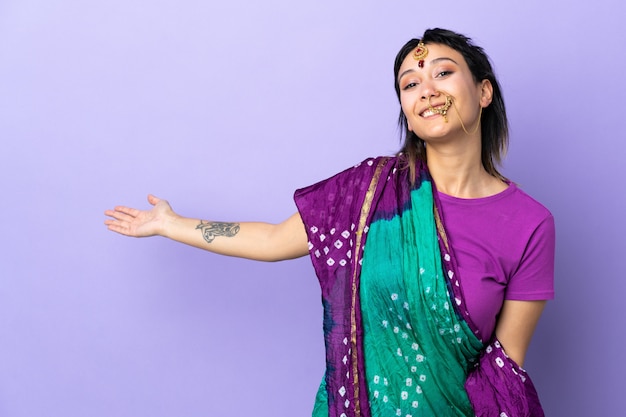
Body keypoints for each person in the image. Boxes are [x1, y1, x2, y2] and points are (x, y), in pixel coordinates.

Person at [104, 28, 554, 417]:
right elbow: (274, 239)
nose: (426, 90)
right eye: (410, 83)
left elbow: (505, 367)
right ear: (406, 111)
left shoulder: (530, 224)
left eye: (443, 72)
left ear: (484, 92)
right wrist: (171, 223)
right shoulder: (370, 194)